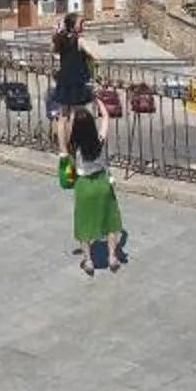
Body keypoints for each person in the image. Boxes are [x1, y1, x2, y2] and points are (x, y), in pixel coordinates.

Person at [61, 94, 126, 276]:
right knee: (110, 221)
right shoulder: (100, 140)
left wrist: (67, 112)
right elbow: (105, 117)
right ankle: (112, 257)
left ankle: (89, 261)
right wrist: (96, 99)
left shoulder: (73, 146)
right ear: (91, 125)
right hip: (102, 183)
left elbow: (64, 127)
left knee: (84, 223)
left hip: (84, 185)